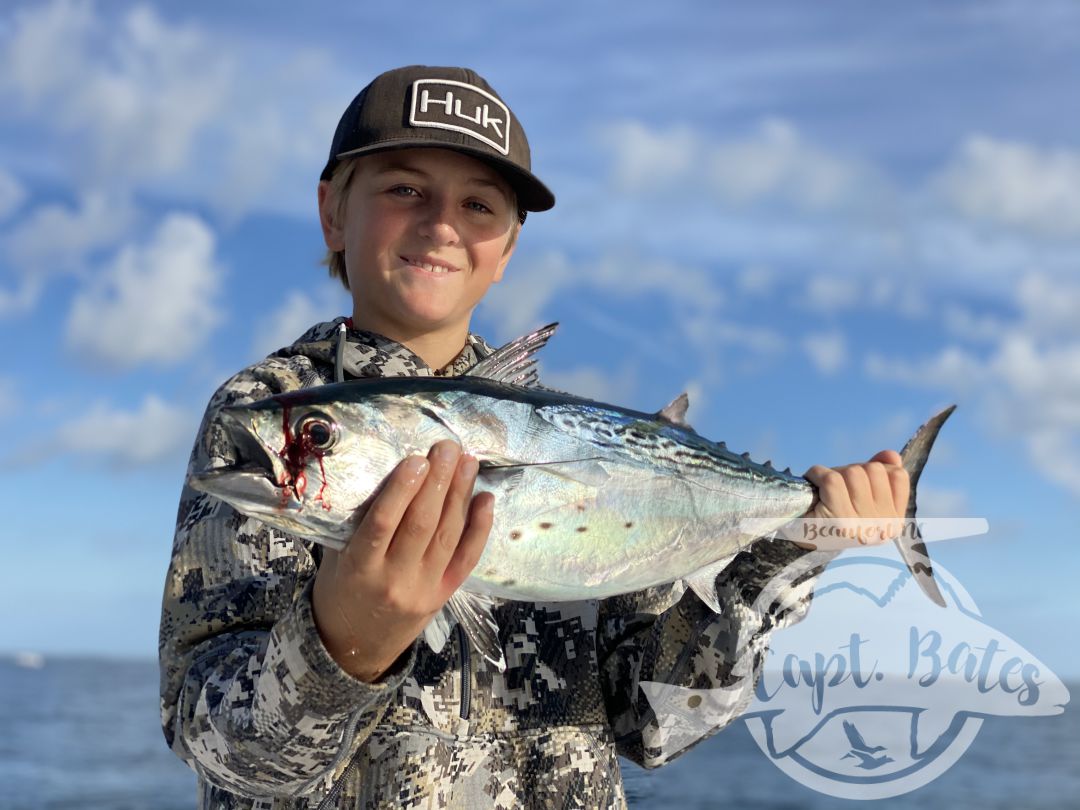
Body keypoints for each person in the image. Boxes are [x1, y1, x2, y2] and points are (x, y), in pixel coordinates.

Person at [159, 65, 911, 809]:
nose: (442, 224)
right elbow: (224, 749)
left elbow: (657, 721)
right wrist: (343, 640)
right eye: (403, 189)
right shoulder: (267, 412)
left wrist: (791, 548)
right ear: (333, 213)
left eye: (479, 205)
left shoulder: (586, 441)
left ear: (507, 248)